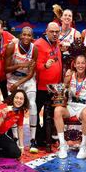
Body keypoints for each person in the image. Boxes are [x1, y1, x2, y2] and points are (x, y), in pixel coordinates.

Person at [54, 55, 86, 159]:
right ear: (74, 65)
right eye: (78, 63)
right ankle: (63, 145)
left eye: (83, 63)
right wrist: (64, 83)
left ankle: (83, 146)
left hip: (85, 106)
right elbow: (62, 89)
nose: (80, 65)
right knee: (57, 110)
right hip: (71, 106)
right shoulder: (70, 75)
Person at [4, 27, 39, 153]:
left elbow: (31, 74)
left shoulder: (34, 49)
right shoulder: (11, 47)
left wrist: (18, 84)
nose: (26, 37)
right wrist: (19, 65)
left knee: (33, 105)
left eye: (29, 35)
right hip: (13, 77)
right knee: (13, 106)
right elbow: (6, 69)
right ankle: (14, 137)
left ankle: (33, 140)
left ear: (32, 37)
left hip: (27, 80)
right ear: (20, 35)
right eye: (24, 34)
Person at [34, 22, 62, 151]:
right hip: (42, 86)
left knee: (51, 113)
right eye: (52, 31)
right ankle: (39, 139)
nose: (55, 34)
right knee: (37, 112)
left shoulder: (57, 43)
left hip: (56, 86)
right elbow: (35, 66)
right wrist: (45, 66)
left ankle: (48, 138)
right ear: (46, 31)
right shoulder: (39, 44)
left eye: (57, 31)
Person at [0, 90, 29, 162]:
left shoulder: (20, 111)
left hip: (1, 135)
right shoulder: (3, 108)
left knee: (17, 153)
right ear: (13, 98)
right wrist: (2, 117)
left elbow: (20, 128)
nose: (18, 100)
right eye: (16, 98)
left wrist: (21, 146)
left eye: (21, 99)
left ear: (24, 101)